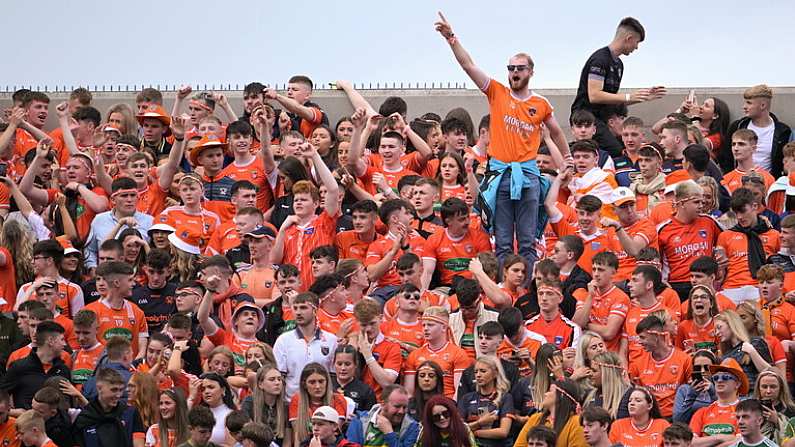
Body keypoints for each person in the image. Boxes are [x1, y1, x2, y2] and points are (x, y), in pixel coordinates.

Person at [434, 12, 571, 268]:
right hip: (500, 174)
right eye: (511, 68)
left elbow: (557, 132)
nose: (514, 72)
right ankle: (504, 289)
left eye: (520, 68)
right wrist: (451, 38)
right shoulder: (497, 92)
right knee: (503, 241)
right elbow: (469, 66)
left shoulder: (541, 103)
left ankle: (526, 292)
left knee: (528, 241)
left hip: (528, 175)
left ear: (531, 71)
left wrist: (568, 159)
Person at [571, 17, 664, 157]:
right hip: (587, 118)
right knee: (618, 152)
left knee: (627, 148)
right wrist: (628, 96)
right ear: (629, 38)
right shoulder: (600, 59)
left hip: (603, 119)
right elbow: (594, 95)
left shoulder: (619, 65)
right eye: (637, 42)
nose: (636, 47)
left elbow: (612, 100)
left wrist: (641, 97)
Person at [657, 180, 723, 300]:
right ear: (682, 203)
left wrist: (721, 262)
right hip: (677, 285)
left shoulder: (709, 222)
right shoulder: (663, 229)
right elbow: (655, 260)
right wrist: (660, 283)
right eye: (696, 202)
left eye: (702, 202)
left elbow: (728, 238)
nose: (701, 206)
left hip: (705, 282)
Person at [718, 189, 780, 303]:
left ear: (754, 206)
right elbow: (720, 272)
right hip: (731, 289)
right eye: (736, 213)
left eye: (743, 211)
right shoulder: (725, 236)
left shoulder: (774, 235)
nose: (739, 217)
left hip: (760, 289)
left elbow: (781, 270)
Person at [273, 292, 338, 400]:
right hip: (292, 404)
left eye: (303, 308)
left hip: (323, 404)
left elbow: (334, 377)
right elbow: (279, 378)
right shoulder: (283, 340)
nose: (298, 312)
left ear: (315, 310)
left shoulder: (331, 340)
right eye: (295, 308)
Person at [629, 315, 692, 419]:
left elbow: (691, 392)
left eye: (643, 337)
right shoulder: (637, 364)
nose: (639, 342)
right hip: (651, 418)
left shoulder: (684, 359)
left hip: (678, 417)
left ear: (656, 336)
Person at [722, 85, 792, 177]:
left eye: (749, 103)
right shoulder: (737, 126)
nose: (744, 107)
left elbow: (785, 162)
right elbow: (726, 157)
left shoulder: (783, 131)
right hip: (738, 182)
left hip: (768, 184)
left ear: (763, 105)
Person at [403, 306, 472, 399]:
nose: (425, 329)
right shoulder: (414, 355)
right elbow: (409, 393)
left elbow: (459, 392)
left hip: (447, 403)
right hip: (421, 405)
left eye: (430, 325)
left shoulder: (458, 354)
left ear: (444, 327)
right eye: (423, 325)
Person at [83, 261, 149, 357]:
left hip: (130, 370)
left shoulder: (137, 312)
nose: (134, 284)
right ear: (117, 283)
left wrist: (131, 368)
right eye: (130, 280)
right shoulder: (90, 312)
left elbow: (142, 350)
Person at [0, 320, 69, 410]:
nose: (65, 344)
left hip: (59, 424)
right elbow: (2, 397)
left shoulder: (64, 369)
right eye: (62, 339)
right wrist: (13, 412)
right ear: (51, 341)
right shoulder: (19, 367)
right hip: (29, 423)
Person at [73, 367, 147, 447]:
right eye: (114, 390)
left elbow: (139, 444)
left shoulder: (130, 413)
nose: (118, 395)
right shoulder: (84, 419)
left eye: (121, 390)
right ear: (99, 388)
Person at [572, 251, 630, 352]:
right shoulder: (585, 293)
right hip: (585, 353)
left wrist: (586, 326)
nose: (596, 274)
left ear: (613, 272)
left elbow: (608, 333)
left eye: (601, 270)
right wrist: (590, 297)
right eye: (594, 269)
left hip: (607, 354)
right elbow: (576, 325)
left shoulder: (621, 297)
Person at [457, 355, 512, 446]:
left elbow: (503, 432)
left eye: (483, 371)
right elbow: (458, 429)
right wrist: (480, 423)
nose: (478, 375)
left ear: (495, 373)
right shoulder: (467, 398)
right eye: (476, 372)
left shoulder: (505, 398)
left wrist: (474, 432)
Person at [352, 299, 402, 398]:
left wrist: (368, 356)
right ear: (357, 322)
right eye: (364, 325)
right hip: (353, 401)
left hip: (379, 403)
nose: (368, 329)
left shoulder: (392, 347)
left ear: (380, 318)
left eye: (372, 323)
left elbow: (387, 383)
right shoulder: (350, 342)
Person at [688, 358, 747, 443]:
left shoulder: (745, 412)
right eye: (716, 377)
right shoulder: (702, 412)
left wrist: (705, 442)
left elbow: (740, 442)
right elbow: (691, 443)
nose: (719, 380)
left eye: (725, 377)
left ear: (737, 384)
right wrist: (721, 438)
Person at [457, 321, 520, 400]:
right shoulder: (469, 372)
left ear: (500, 342)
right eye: (480, 337)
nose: (483, 342)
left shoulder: (510, 369)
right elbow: (462, 401)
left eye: (488, 338)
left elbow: (516, 400)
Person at [514, 379, 587, 447]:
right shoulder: (535, 418)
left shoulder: (576, 422)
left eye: (549, 391)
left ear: (561, 395)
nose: (545, 394)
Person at [345, 384, 419, 447]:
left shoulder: (412, 427)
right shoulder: (359, 421)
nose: (401, 411)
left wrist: (389, 433)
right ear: (383, 404)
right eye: (397, 406)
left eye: (405, 407)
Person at [716, 310, 773, 390]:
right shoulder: (725, 355)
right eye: (715, 330)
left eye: (719, 327)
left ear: (731, 324)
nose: (717, 333)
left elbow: (771, 373)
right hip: (734, 396)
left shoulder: (755, 342)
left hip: (754, 395)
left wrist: (752, 352)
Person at [673, 350, 718, 424]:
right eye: (698, 368)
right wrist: (691, 396)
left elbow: (722, 414)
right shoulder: (684, 390)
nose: (702, 371)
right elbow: (677, 421)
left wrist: (713, 393)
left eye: (707, 367)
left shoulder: (720, 387)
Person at [192, 373, 236, 446]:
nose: (206, 391)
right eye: (203, 389)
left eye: (211, 387)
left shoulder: (230, 415)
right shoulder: (198, 413)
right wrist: (191, 397)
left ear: (223, 390)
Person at [585, 351, 631, 420]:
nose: (590, 374)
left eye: (594, 371)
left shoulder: (628, 396)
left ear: (606, 373)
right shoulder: (591, 395)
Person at [330, 345, 375, 413]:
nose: (343, 368)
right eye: (339, 364)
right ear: (333, 364)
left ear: (356, 364)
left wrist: (357, 419)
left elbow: (370, 418)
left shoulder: (366, 391)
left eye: (347, 364)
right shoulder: (326, 385)